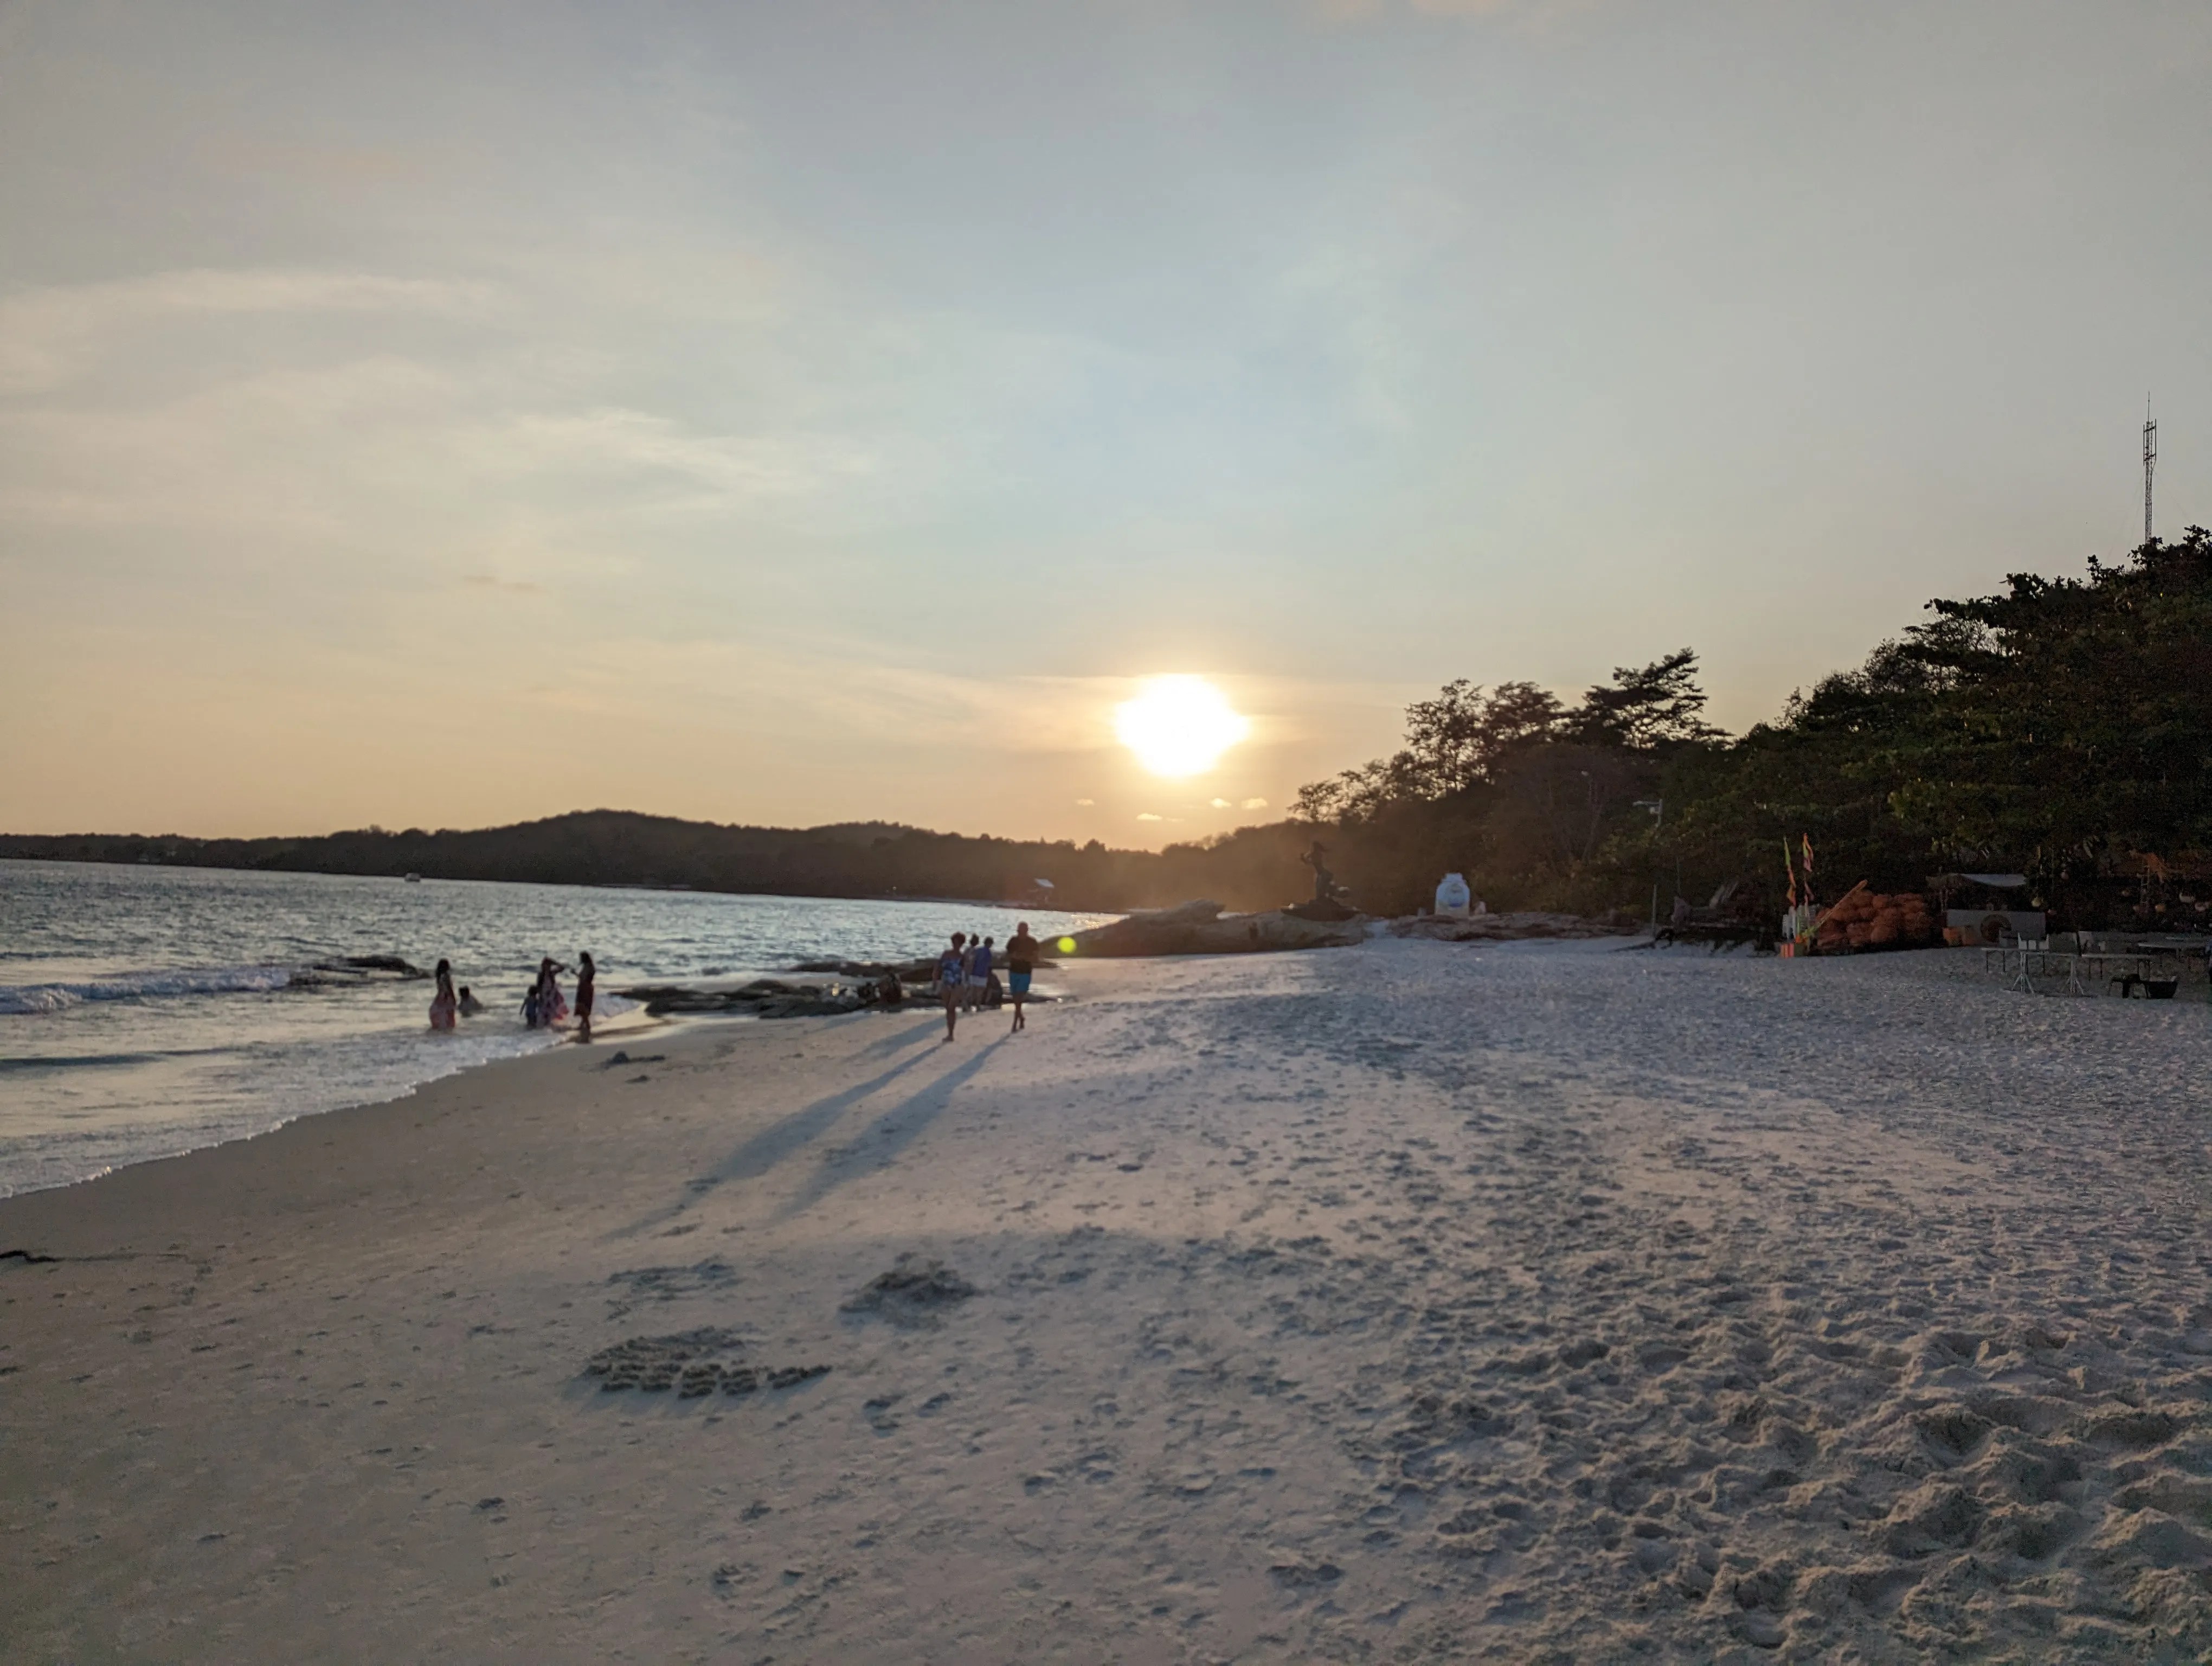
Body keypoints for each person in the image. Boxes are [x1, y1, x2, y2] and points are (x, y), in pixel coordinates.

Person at [1006, 921, 1039, 1032]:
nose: (1021, 933)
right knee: (1015, 999)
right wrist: (1014, 957)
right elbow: (1008, 954)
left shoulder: (1032, 942)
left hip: (1025, 973)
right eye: (1020, 930)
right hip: (1014, 971)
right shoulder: (1013, 941)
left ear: (1027, 931)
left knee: (1019, 999)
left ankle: (1015, 1024)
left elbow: (1036, 958)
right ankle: (1021, 1017)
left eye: (1024, 931)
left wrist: (1025, 958)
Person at [937, 933, 967, 1041]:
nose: (955, 945)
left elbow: (966, 972)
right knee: (947, 1009)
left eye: (958, 943)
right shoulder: (946, 954)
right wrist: (935, 981)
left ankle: (951, 1034)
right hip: (946, 983)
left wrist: (965, 988)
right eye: (954, 942)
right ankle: (950, 1032)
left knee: (952, 1007)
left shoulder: (962, 957)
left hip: (957, 984)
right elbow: (938, 967)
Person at [429, 959, 458, 1030]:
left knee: (439, 1011)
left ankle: (442, 1026)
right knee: (447, 1012)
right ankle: (447, 1026)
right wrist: (453, 998)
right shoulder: (446, 976)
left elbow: (440, 989)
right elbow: (449, 988)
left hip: (441, 996)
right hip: (446, 996)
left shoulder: (439, 977)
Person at [574, 951, 596, 1043]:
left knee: (582, 1006)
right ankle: (582, 1024)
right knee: (585, 1006)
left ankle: (587, 1025)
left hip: (584, 987)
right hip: (588, 987)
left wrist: (574, 973)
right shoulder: (591, 967)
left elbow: (582, 978)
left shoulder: (587, 967)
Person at [970, 935, 993, 1011]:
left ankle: (969, 1004)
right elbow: (989, 964)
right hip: (983, 973)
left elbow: (973, 960)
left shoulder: (978, 950)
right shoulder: (988, 953)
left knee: (973, 990)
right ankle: (977, 1005)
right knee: (980, 991)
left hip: (974, 972)